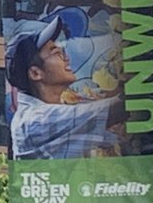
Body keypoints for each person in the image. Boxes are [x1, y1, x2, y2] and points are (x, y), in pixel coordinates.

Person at [7, 18, 122, 160]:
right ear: (35, 73)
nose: (66, 59)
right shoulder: (33, 121)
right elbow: (111, 111)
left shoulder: (56, 109)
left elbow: (112, 138)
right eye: (56, 53)